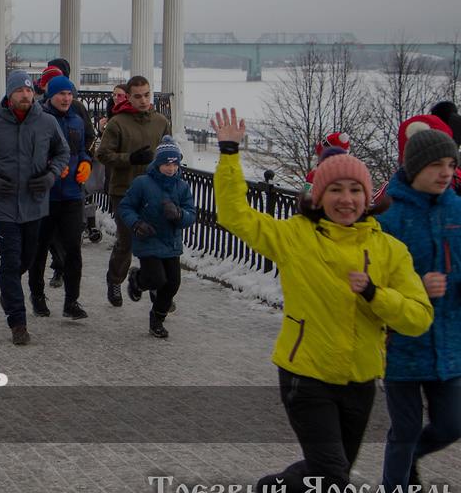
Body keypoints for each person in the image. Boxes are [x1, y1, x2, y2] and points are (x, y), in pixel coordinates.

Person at [211, 107, 434, 492]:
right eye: (335, 190)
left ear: (367, 197)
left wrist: (374, 294)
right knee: (331, 474)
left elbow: (417, 317)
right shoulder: (295, 237)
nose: (345, 199)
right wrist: (230, 153)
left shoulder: (390, 250)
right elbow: (234, 215)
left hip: (361, 379)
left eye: (354, 190)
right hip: (306, 373)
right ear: (319, 195)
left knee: (329, 474)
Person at [375, 129, 461, 489]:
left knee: (451, 425)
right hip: (402, 346)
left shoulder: (456, 209)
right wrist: (416, 287)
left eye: (451, 164)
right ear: (414, 167)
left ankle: (409, 461)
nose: (446, 172)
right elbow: (372, 280)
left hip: (450, 343)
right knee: (405, 429)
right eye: (436, 165)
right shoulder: (388, 216)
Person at [0, 71, 70, 345]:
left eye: (29, 91)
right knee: (10, 261)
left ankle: (7, 289)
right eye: (19, 91)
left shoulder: (46, 122)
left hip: (34, 205)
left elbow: (63, 152)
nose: (25, 95)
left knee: (27, 259)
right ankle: (17, 320)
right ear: (10, 95)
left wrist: (50, 176)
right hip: (4, 206)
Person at [95, 75, 169, 307]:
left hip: (154, 191)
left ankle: (156, 288)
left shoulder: (160, 121)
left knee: (155, 242)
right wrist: (131, 158)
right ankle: (115, 280)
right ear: (128, 97)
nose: (143, 100)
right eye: (137, 96)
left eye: (147, 95)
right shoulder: (118, 123)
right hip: (124, 190)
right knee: (126, 241)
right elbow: (102, 154)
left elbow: (170, 149)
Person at [26, 76, 90, 321]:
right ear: (50, 95)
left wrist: (85, 163)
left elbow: (81, 149)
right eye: (61, 94)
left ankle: (71, 301)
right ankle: (38, 296)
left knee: (74, 249)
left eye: (70, 94)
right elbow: (32, 153)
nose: (66, 98)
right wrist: (51, 166)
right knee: (39, 248)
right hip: (46, 194)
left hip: (72, 194)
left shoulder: (76, 120)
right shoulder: (40, 120)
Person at [119, 136, 196, 338]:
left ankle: (157, 318)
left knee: (172, 284)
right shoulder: (142, 183)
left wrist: (179, 215)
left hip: (171, 242)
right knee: (156, 278)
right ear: (158, 163)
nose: (170, 168)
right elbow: (125, 207)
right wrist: (136, 223)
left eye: (174, 164)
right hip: (148, 239)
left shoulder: (182, 187)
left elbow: (191, 215)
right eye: (166, 164)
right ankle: (138, 280)